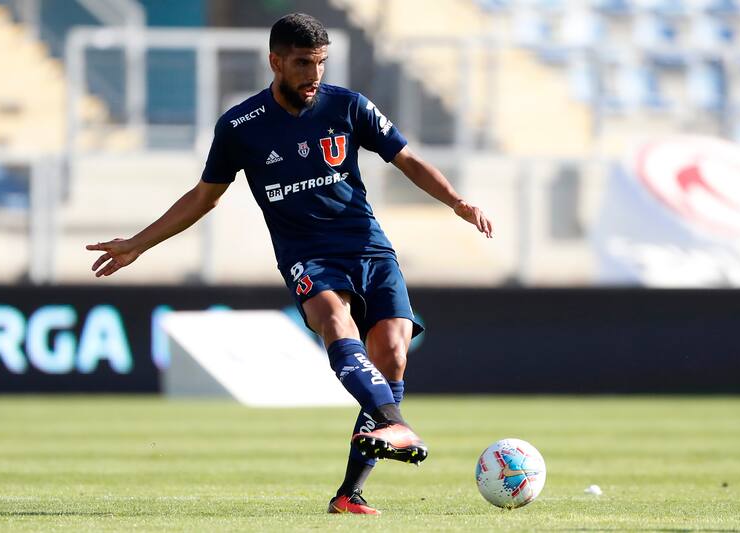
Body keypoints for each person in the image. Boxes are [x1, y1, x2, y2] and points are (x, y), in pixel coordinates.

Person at [86, 12, 493, 515]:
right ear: (275, 61)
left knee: (392, 351)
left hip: (368, 245)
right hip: (307, 253)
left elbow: (406, 158)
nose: (313, 74)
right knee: (332, 319)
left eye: (320, 63)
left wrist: (456, 202)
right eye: (303, 63)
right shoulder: (240, 126)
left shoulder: (349, 106)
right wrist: (139, 243)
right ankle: (393, 419)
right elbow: (203, 197)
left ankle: (349, 494)